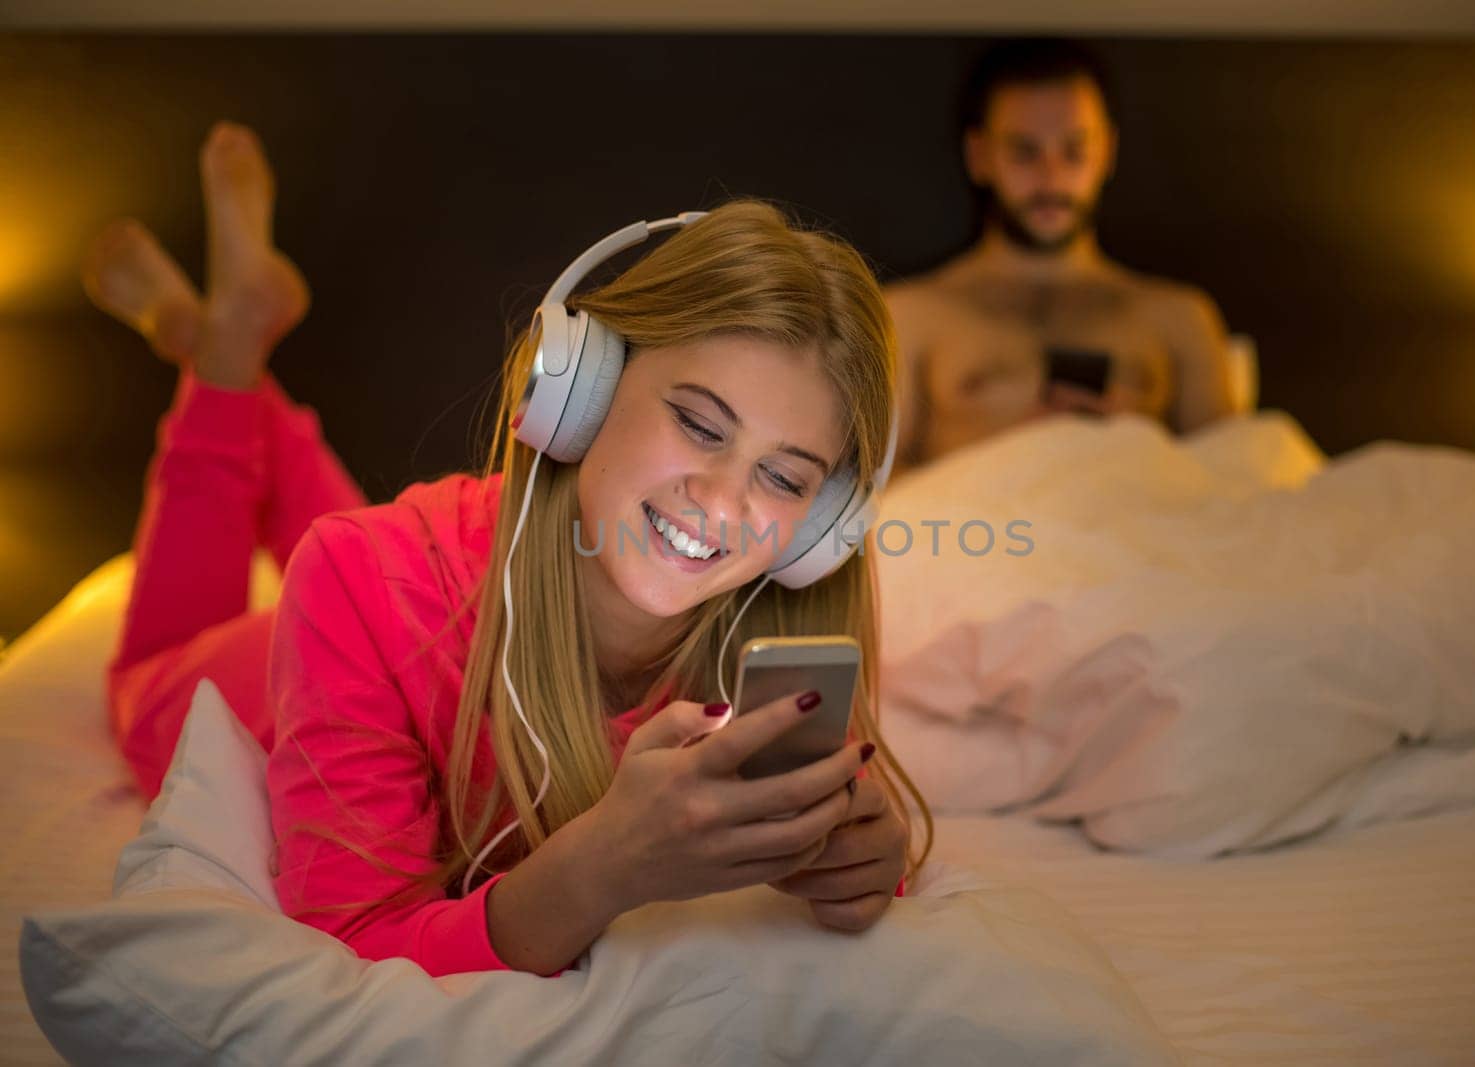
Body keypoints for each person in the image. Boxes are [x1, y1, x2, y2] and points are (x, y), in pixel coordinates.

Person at [88, 121, 929, 980]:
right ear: (583, 385)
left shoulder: (774, 637)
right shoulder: (358, 582)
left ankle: (218, 336)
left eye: (786, 480)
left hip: (416, 580)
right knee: (150, 675)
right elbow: (351, 957)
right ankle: (223, 353)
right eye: (699, 423)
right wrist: (602, 866)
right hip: (309, 639)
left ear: (825, 529)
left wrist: (864, 857)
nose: (723, 502)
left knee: (365, 550)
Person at [886, 38, 1244, 470]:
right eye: (1025, 152)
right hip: (985, 530)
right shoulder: (909, 316)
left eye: (1074, 150)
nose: (1051, 178)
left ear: (1107, 152)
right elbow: (871, 490)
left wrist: (1134, 445)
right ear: (979, 156)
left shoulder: (1179, 318)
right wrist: (1012, 455)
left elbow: (1234, 487)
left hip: (1139, 525)